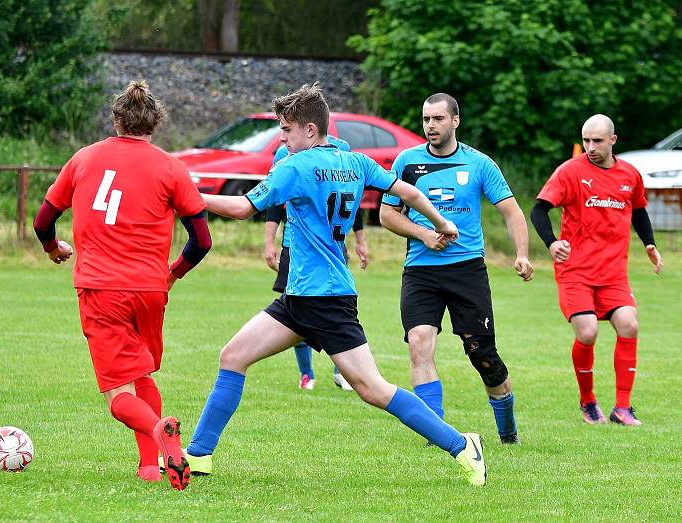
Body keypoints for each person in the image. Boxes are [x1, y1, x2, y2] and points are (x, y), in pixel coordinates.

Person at [184, 83, 487, 486]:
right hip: (303, 297)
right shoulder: (354, 161)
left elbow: (241, 208)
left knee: (373, 389)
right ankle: (198, 456)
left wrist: (189, 196)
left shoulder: (295, 166)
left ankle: (462, 445)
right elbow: (408, 192)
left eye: (287, 129)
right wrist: (441, 222)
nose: (282, 137)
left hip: (323, 300)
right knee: (233, 355)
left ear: (310, 130)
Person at [33, 80, 212, 490]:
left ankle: (160, 434)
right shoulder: (170, 166)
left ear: (117, 119)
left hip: (101, 289)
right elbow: (202, 241)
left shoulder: (83, 159)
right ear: (155, 124)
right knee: (142, 372)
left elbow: (43, 221)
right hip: (151, 291)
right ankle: (151, 466)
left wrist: (52, 248)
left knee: (118, 395)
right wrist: (172, 273)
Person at [379, 93, 533, 445]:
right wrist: (423, 235)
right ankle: (437, 433)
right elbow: (387, 214)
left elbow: (510, 211)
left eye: (438, 119)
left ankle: (508, 432)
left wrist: (521, 253)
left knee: (483, 356)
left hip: (467, 270)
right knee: (419, 343)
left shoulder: (479, 164)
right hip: (421, 271)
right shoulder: (407, 163)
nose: (431, 126)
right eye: (426, 119)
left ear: (455, 121)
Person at [530, 114, 662, 426]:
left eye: (597, 141)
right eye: (586, 140)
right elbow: (539, 209)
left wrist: (649, 244)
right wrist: (551, 243)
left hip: (613, 272)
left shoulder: (630, 174)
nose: (590, 147)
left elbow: (639, 211)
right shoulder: (570, 171)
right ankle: (588, 402)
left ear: (613, 140)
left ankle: (623, 409)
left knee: (629, 324)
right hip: (575, 270)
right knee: (587, 332)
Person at [265, 135, 368, 391]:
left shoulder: (344, 151)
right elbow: (273, 202)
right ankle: (307, 374)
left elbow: (352, 200)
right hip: (295, 245)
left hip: (333, 246)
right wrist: (270, 242)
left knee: (334, 312)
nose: (284, 134)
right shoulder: (284, 154)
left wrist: (361, 239)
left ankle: (342, 371)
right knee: (295, 307)